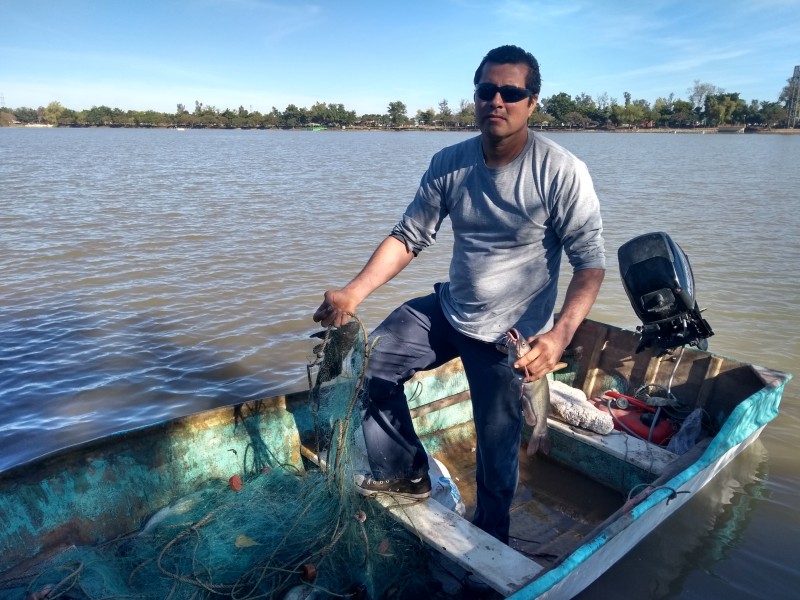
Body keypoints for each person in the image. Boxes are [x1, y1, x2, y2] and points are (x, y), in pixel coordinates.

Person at [313, 44, 605, 544]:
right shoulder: (449, 162)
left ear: (532, 102)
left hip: (509, 340)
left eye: (511, 92)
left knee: (496, 455)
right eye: (487, 89)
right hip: (449, 311)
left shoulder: (561, 171)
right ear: (475, 97)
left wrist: (559, 335)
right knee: (371, 363)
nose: (497, 100)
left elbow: (590, 264)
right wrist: (352, 293)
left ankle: (491, 542)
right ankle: (404, 468)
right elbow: (409, 237)